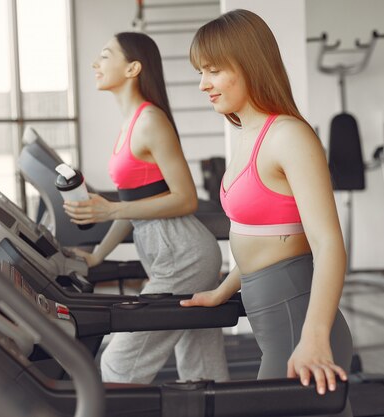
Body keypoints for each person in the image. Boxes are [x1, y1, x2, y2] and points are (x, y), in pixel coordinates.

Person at [180, 9, 353, 416]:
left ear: (249, 64)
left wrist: (314, 336)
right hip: (277, 326)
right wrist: (225, 289)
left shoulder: (289, 136)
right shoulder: (246, 133)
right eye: (201, 72)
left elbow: (328, 244)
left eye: (214, 70)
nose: (204, 84)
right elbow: (265, 234)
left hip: (301, 332)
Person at [63, 31, 229, 384]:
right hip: (168, 254)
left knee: (118, 365)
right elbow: (132, 205)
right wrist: (97, 255)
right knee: (199, 368)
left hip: (182, 254)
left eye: (106, 55)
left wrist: (109, 211)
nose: (96, 63)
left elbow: (185, 198)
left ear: (133, 67)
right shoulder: (130, 124)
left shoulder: (150, 121)